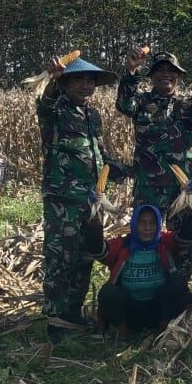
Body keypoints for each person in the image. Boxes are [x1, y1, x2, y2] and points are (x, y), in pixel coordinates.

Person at [36, 55, 125, 337]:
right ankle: (56, 321)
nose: (86, 85)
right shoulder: (56, 109)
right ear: (65, 83)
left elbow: (99, 155)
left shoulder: (92, 115)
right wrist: (51, 80)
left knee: (84, 259)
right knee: (60, 260)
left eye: (90, 80)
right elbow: (44, 102)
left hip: (91, 203)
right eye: (78, 79)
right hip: (63, 202)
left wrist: (127, 168)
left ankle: (73, 314)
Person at [116, 50, 192, 275]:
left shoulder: (190, 103)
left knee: (183, 240)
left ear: (179, 76)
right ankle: (146, 282)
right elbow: (124, 106)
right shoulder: (141, 102)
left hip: (182, 186)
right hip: (148, 184)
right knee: (146, 237)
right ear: (151, 76)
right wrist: (131, 71)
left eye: (171, 71)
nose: (166, 75)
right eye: (159, 70)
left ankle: (180, 287)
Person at [97, 205, 192, 333]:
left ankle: (163, 326)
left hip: (157, 308)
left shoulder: (164, 242)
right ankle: (123, 330)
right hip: (130, 309)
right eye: (142, 223)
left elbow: (186, 237)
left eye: (152, 223)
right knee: (108, 292)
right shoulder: (123, 244)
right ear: (134, 224)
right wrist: (95, 223)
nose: (147, 228)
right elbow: (100, 252)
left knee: (178, 284)